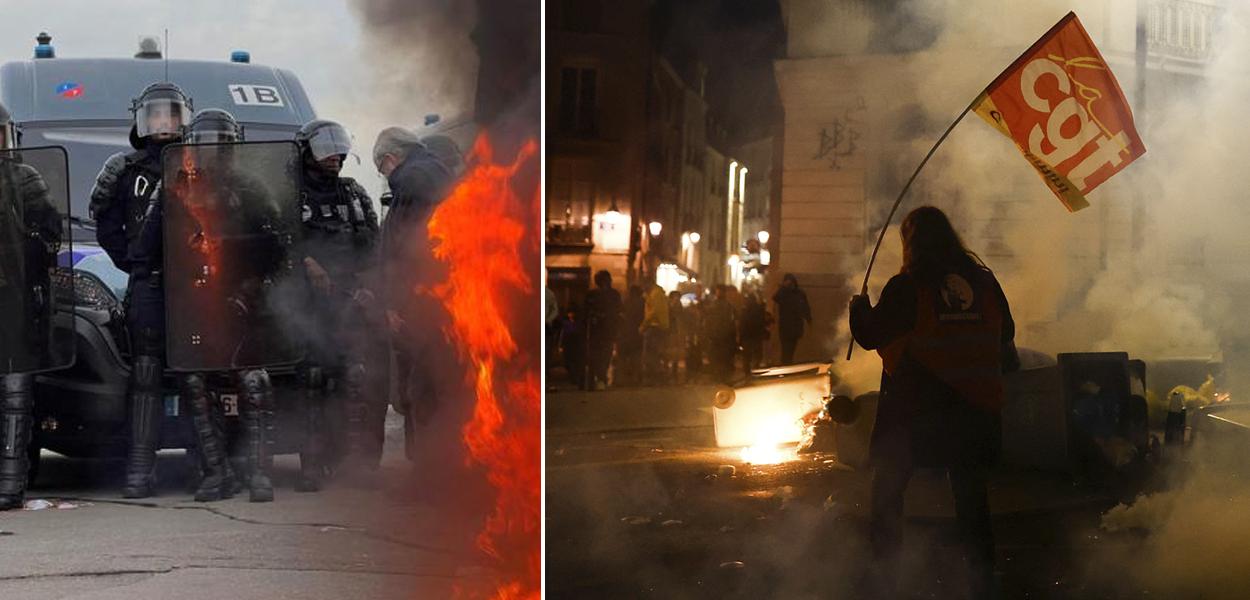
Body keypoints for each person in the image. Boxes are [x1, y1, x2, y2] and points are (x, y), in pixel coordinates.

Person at [848, 206, 1018, 600]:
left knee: (888, 492)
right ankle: (982, 580)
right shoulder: (984, 281)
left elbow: (872, 334)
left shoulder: (909, 286)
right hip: (977, 411)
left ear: (912, 243)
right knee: (972, 499)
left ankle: (886, 577)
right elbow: (1006, 331)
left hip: (918, 415)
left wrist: (858, 309)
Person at [163, 108, 284, 502]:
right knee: (195, 381)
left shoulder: (251, 189)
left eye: (222, 144)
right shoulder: (178, 189)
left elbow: (277, 245)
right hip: (196, 305)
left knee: (255, 381)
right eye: (206, 144)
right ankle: (217, 472)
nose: (214, 152)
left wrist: (246, 287)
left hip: (243, 303)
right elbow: (153, 247)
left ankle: (258, 472)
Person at [90, 82, 196, 498]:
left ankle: (205, 464)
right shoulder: (124, 169)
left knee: (198, 371)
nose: (164, 123)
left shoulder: (198, 164)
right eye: (155, 116)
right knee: (147, 374)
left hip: (195, 285)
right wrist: (134, 264)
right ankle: (139, 471)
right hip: (149, 282)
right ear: (141, 120)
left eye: (171, 115)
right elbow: (106, 225)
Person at [292, 119, 382, 490]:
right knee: (312, 383)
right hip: (308, 308)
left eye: (337, 149)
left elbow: (374, 248)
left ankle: (352, 463)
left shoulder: (354, 196)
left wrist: (368, 286)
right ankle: (312, 465)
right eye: (325, 149)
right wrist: (306, 263)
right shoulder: (290, 195)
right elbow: (275, 239)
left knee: (354, 382)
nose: (334, 157)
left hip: (348, 303)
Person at [373, 126, 457, 460]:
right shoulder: (440, 173)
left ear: (391, 158)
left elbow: (405, 250)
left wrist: (395, 304)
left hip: (423, 306)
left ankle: (430, 474)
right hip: (445, 301)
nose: (385, 176)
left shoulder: (411, 180)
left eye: (382, 170)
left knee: (422, 391)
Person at [0, 101, 64, 510]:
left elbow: (51, 236)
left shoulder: (24, 178)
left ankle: (10, 483)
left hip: (14, 299)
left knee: (15, 391)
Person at [583, 270, 621, 390]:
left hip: (603, 331)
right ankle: (597, 379)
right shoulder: (598, 295)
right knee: (600, 356)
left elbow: (618, 311)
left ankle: (598, 379)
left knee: (601, 356)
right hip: (601, 331)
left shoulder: (611, 295)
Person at [773, 273, 811, 364]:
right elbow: (775, 298)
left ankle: (788, 363)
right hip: (785, 326)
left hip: (795, 326)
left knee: (791, 348)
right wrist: (783, 288)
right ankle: (785, 364)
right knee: (785, 349)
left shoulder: (800, 293)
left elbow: (805, 307)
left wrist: (808, 318)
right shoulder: (783, 293)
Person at [639, 278, 669, 384]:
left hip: (654, 327)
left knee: (650, 353)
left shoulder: (655, 294)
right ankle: (656, 377)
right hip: (659, 326)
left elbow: (653, 312)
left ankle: (653, 377)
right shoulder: (657, 293)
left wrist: (643, 325)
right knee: (655, 353)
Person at [617, 285, 644, 385]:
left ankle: (621, 379)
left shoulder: (625, 302)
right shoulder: (642, 302)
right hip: (637, 333)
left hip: (625, 333)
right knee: (636, 356)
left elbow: (620, 315)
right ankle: (635, 378)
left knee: (623, 357)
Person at [738, 291, 768, 375]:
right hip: (756, 336)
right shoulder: (759, 310)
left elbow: (742, 324)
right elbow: (762, 322)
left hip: (747, 337)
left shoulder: (745, 310)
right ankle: (755, 369)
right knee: (757, 355)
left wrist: (740, 338)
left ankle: (747, 373)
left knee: (747, 357)